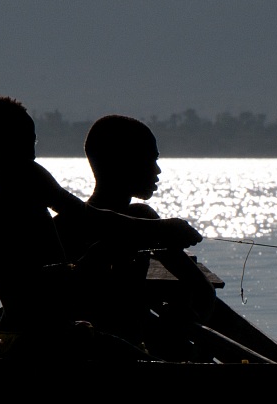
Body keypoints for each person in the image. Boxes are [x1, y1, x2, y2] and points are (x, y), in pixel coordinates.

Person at [0, 96, 201, 347]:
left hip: (15, 331)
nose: (33, 150)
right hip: (44, 338)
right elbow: (90, 218)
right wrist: (164, 228)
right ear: (3, 145)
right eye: (28, 141)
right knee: (128, 353)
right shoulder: (25, 174)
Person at [64, 114, 216, 350]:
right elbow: (203, 292)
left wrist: (183, 318)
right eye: (150, 160)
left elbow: (203, 292)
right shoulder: (143, 220)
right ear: (122, 163)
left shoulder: (65, 223)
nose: (157, 171)